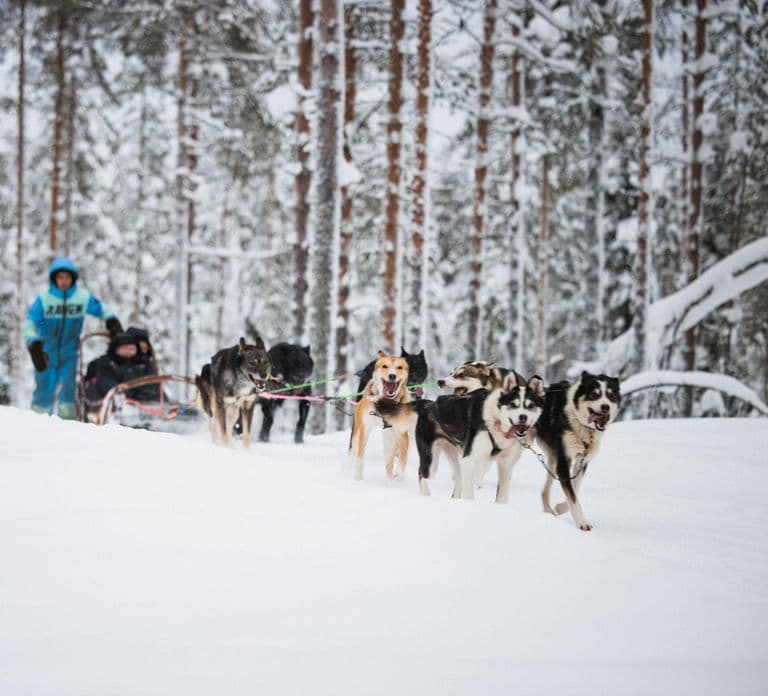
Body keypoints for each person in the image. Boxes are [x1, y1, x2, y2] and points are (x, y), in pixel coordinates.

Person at [24, 257, 122, 419]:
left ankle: (68, 427)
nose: (64, 281)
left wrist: (111, 320)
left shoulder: (81, 298)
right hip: (46, 353)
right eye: (60, 277)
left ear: (73, 278)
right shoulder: (44, 299)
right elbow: (31, 322)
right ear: (54, 279)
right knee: (44, 390)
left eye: (67, 277)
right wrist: (33, 343)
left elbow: (101, 309)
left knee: (68, 390)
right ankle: (36, 425)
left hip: (70, 353)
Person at [84, 332, 150, 407]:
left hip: (142, 402)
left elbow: (151, 381)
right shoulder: (104, 363)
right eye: (126, 348)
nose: (130, 350)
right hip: (109, 401)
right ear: (116, 348)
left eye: (132, 348)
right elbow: (106, 382)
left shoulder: (142, 363)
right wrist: (124, 393)